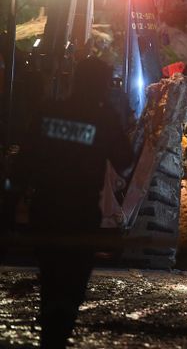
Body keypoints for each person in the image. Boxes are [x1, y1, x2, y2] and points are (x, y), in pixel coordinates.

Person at [15, 57, 133, 348]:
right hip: (80, 215)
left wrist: (10, 206)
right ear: (102, 86)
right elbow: (126, 163)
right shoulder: (103, 120)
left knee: (51, 279)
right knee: (73, 284)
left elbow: (22, 165)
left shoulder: (48, 113)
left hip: (46, 211)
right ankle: (58, 334)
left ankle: (50, 335)